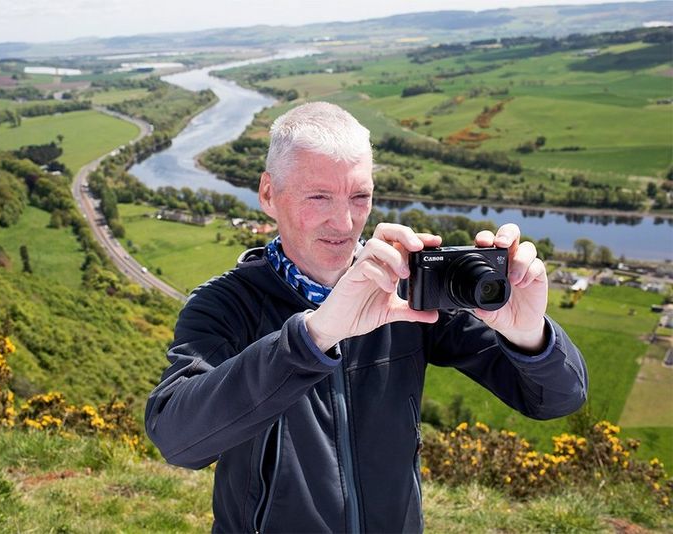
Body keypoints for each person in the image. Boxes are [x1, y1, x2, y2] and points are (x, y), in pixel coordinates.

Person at [145, 102, 588, 533]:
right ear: (267, 193)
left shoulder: (407, 292)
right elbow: (178, 440)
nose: (344, 221)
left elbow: (557, 399)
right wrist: (315, 336)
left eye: (360, 196)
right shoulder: (225, 306)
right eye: (319, 196)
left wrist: (529, 334)